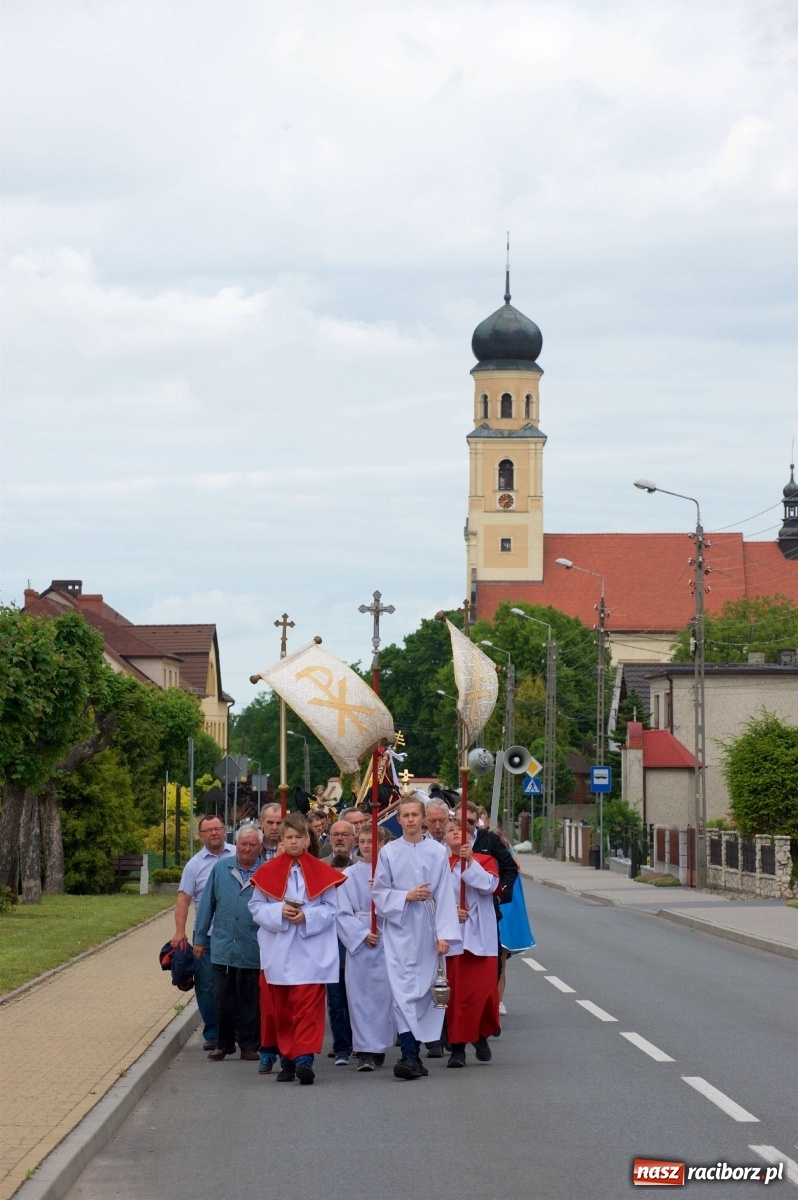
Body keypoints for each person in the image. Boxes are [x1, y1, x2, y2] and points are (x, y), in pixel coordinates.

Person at [249, 813, 346, 1085]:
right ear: (282, 840)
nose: (293, 842)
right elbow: (255, 908)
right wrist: (279, 911)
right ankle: (288, 1059)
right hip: (279, 950)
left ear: (307, 839)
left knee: (307, 1007)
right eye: (288, 837)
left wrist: (307, 917)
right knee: (282, 1009)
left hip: (311, 950)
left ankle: (304, 1058)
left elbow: (331, 909)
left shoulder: (321, 872)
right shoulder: (267, 872)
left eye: (298, 837)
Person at [372, 793, 462, 1080]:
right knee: (401, 993)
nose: (410, 820)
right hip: (399, 930)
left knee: (425, 993)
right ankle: (408, 1055)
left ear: (423, 818)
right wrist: (406, 895)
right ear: (398, 820)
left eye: (415, 815)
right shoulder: (388, 852)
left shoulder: (437, 851)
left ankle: (416, 1054)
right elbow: (379, 893)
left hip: (429, 927)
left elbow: (446, 893)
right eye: (405, 815)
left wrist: (445, 934)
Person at [193, 825, 264, 1061]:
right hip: (223, 943)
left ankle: (248, 1045)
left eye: (252, 844)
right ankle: (223, 1044)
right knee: (222, 996)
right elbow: (206, 906)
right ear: (237, 844)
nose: (247, 848)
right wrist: (200, 938)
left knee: (249, 998)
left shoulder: (266, 871)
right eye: (243, 843)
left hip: (254, 945)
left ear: (259, 847)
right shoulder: (221, 868)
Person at [171, 814, 235, 1050]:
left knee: (236, 984)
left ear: (225, 830)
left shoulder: (240, 855)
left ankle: (238, 1030)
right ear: (200, 835)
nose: (214, 833)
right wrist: (180, 932)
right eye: (208, 830)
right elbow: (183, 900)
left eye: (217, 828)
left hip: (236, 934)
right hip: (206, 935)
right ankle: (213, 1033)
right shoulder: (194, 865)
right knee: (207, 984)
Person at [336, 825, 396, 1071]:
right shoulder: (349, 875)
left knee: (384, 995)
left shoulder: (390, 872)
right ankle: (363, 1050)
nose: (366, 845)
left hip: (386, 935)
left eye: (372, 841)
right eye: (362, 841)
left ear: (382, 843)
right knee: (359, 996)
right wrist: (361, 934)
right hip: (361, 937)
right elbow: (341, 912)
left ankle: (378, 1044)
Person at [443, 820, 500, 1067]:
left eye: (461, 831)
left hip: (480, 936)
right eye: (450, 831)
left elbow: (489, 886)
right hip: (455, 935)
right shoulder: (441, 866)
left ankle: (480, 1034)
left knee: (483, 992)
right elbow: (434, 897)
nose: (455, 833)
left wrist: (470, 862)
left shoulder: (484, 861)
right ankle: (457, 1047)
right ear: (444, 839)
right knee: (456, 994)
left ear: (470, 837)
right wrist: (452, 909)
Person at [322, 820, 357, 1061]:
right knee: (335, 998)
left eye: (345, 834)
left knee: (357, 996)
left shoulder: (364, 867)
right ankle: (341, 1045)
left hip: (356, 939)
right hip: (329, 940)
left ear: (353, 839)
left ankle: (360, 1040)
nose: (340, 839)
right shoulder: (319, 867)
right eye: (336, 834)